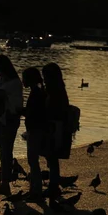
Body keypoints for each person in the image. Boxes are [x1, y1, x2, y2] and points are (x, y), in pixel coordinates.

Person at [0, 55, 23, 196]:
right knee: (2, 150)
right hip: (0, 118)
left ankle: (5, 184)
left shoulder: (15, 82)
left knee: (6, 151)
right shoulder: (1, 79)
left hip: (9, 119)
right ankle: (4, 181)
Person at [41, 62, 70, 198]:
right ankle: (54, 184)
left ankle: (53, 186)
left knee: (52, 157)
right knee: (52, 158)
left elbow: (54, 110)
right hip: (56, 126)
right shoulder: (59, 90)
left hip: (54, 127)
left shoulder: (54, 92)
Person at [22, 67, 47, 199]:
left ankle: (36, 190)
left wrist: (22, 111)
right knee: (33, 160)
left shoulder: (36, 93)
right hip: (36, 129)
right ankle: (35, 188)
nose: (22, 81)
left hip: (35, 129)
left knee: (33, 160)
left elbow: (35, 113)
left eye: (24, 78)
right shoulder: (38, 92)